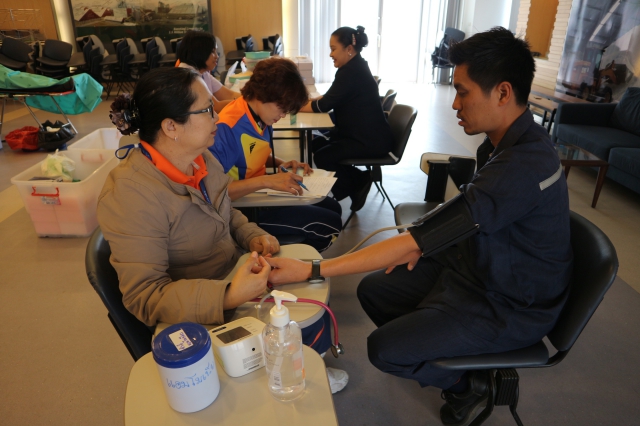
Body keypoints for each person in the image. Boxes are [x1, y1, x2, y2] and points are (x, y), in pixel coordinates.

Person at [266, 27, 573, 425]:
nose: (455, 104)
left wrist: (312, 270)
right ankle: (444, 343)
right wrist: (425, 244)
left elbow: (420, 238)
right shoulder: (503, 143)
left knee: (385, 349)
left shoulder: (524, 166)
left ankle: (466, 385)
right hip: (481, 267)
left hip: (511, 303)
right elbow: (466, 217)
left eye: (462, 92)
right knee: (375, 291)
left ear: (502, 93)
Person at [97, 67, 277, 327]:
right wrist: (228, 295)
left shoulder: (201, 157)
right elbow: (145, 296)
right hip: (200, 317)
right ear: (171, 126)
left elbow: (223, 209)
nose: (217, 116)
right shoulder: (130, 195)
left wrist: (251, 235)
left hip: (234, 276)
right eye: (207, 110)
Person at [210, 57, 343, 253]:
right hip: (241, 210)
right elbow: (213, 191)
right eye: (282, 108)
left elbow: (247, 154)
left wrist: (282, 163)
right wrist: (267, 181)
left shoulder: (257, 115)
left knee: (333, 207)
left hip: (257, 195)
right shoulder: (228, 128)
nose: (282, 116)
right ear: (262, 94)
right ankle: (282, 264)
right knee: (327, 225)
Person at [299, 26, 394, 212]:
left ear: (349, 49)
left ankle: (358, 182)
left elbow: (324, 105)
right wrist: (306, 103)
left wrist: (296, 107)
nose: (330, 54)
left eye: (333, 49)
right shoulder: (355, 66)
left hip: (369, 141)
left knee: (322, 156)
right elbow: (331, 97)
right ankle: (356, 182)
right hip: (366, 136)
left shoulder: (350, 72)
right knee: (317, 144)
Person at [176, 30, 240, 113]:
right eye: (212, 52)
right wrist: (247, 102)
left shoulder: (202, 71)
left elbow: (229, 95)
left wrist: (249, 98)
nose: (217, 56)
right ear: (200, 52)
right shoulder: (189, 77)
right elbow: (215, 107)